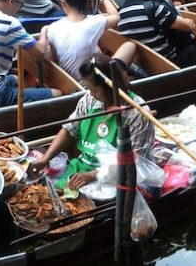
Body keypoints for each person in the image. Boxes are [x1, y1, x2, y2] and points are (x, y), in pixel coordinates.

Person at [28, 55, 155, 190]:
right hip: (85, 166)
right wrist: (45, 159)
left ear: (109, 86)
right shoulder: (89, 100)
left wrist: (93, 175)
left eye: (94, 90)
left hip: (121, 177)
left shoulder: (136, 112)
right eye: (89, 89)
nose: (91, 94)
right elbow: (69, 130)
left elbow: (135, 161)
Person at [39, 0, 134, 81]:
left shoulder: (53, 28)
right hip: (95, 82)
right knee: (130, 46)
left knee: (97, 48)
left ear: (63, 3)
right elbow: (116, 17)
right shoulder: (93, 23)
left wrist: (44, 32)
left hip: (72, 85)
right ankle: (120, 79)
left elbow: (57, 61)